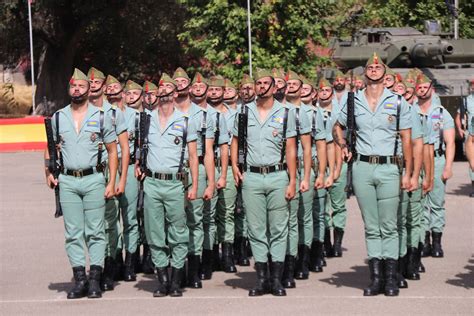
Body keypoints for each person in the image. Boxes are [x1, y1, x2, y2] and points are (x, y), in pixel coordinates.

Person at [333, 53, 413, 297]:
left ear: (385, 73)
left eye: (378, 67)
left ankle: (390, 278)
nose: (374, 70)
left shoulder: (399, 102)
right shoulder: (351, 102)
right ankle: (375, 278)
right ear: (365, 73)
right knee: (371, 225)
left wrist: (408, 172)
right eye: (370, 67)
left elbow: (407, 139)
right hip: (362, 167)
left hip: (389, 167)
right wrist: (343, 145)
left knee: (389, 225)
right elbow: (337, 126)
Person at [44, 68, 119, 299]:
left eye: (81, 86)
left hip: (94, 178)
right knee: (73, 232)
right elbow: (50, 146)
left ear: (89, 90)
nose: (77, 90)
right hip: (67, 180)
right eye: (73, 86)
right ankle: (79, 279)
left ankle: (95, 278)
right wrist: (47, 171)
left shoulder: (101, 116)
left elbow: (113, 151)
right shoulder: (58, 117)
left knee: (96, 231)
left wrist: (112, 180)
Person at [231, 69, 297, 297]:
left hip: (278, 175)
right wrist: (234, 167)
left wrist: (292, 179)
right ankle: (261, 279)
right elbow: (235, 141)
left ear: (274, 87)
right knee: (256, 229)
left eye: (265, 83)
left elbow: (290, 148)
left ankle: (276, 279)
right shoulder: (244, 112)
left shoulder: (285, 113)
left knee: (278, 228)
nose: (260, 87)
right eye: (257, 83)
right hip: (252, 177)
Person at [136, 73, 199, 297]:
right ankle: (162, 280)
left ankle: (176, 280)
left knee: (178, 232)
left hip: (175, 184)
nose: (163, 95)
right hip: (152, 182)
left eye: (167, 91)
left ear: (174, 94)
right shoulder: (146, 120)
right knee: (154, 232)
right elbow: (140, 148)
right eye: (159, 91)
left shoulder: (185, 121)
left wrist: (194, 186)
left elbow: (193, 157)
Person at [172, 68, 216, 282]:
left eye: (183, 81)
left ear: (189, 87)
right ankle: (177, 267)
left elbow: (208, 152)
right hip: (172, 172)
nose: (179, 85)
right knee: (173, 220)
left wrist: (210, 182)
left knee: (195, 220)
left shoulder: (203, 115)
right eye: (175, 82)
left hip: (196, 168)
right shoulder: (164, 112)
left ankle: (194, 268)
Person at [415, 74, 455, 258]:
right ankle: (424, 241)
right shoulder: (411, 111)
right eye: (419, 87)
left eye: (425, 87)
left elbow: (450, 142)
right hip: (417, 161)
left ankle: (437, 242)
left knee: (437, 202)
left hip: (437, 160)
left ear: (431, 89)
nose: (422, 90)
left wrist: (448, 166)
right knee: (421, 202)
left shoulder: (440, 112)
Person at [454, 78, 474, 196]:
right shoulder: (467, 101)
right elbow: (458, 116)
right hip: (470, 136)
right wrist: (460, 129)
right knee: (472, 162)